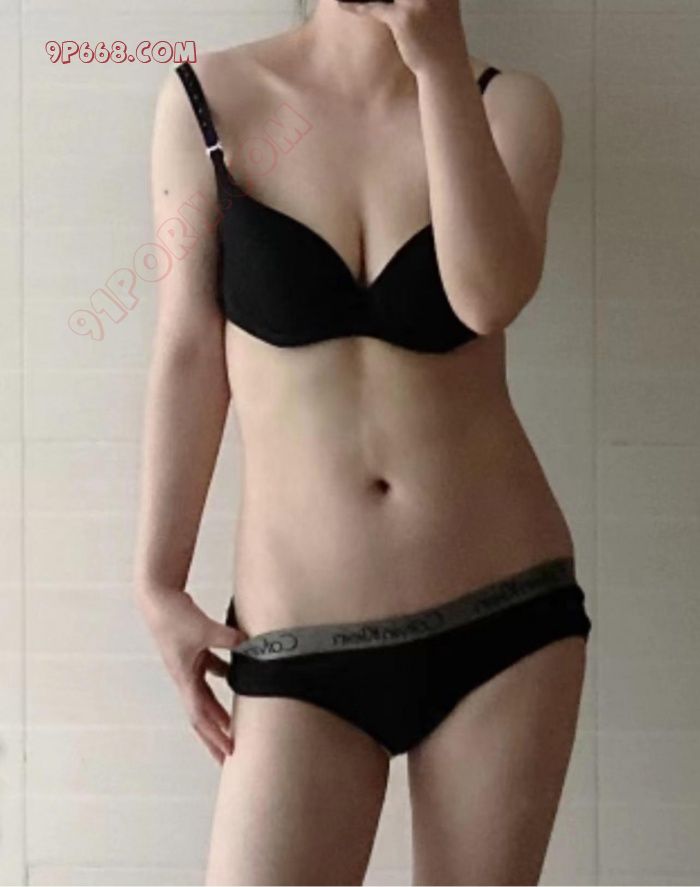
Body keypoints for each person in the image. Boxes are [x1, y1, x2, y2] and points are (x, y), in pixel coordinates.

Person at [134, 1, 593, 883]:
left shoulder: (511, 107)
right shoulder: (208, 102)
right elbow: (189, 348)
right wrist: (158, 577)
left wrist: (439, 66)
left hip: (504, 622)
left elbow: (486, 296)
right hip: (296, 640)